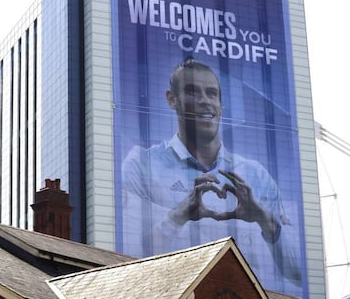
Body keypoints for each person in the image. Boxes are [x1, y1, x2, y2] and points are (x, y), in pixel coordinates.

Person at [121, 56, 301, 288]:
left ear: (221, 106)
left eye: (212, 94)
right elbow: (126, 262)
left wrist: (265, 220)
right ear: (172, 99)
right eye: (193, 92)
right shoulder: (141, 164)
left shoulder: (257, 175)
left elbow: (299, 273)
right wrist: (177, 217)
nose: (205, 101)